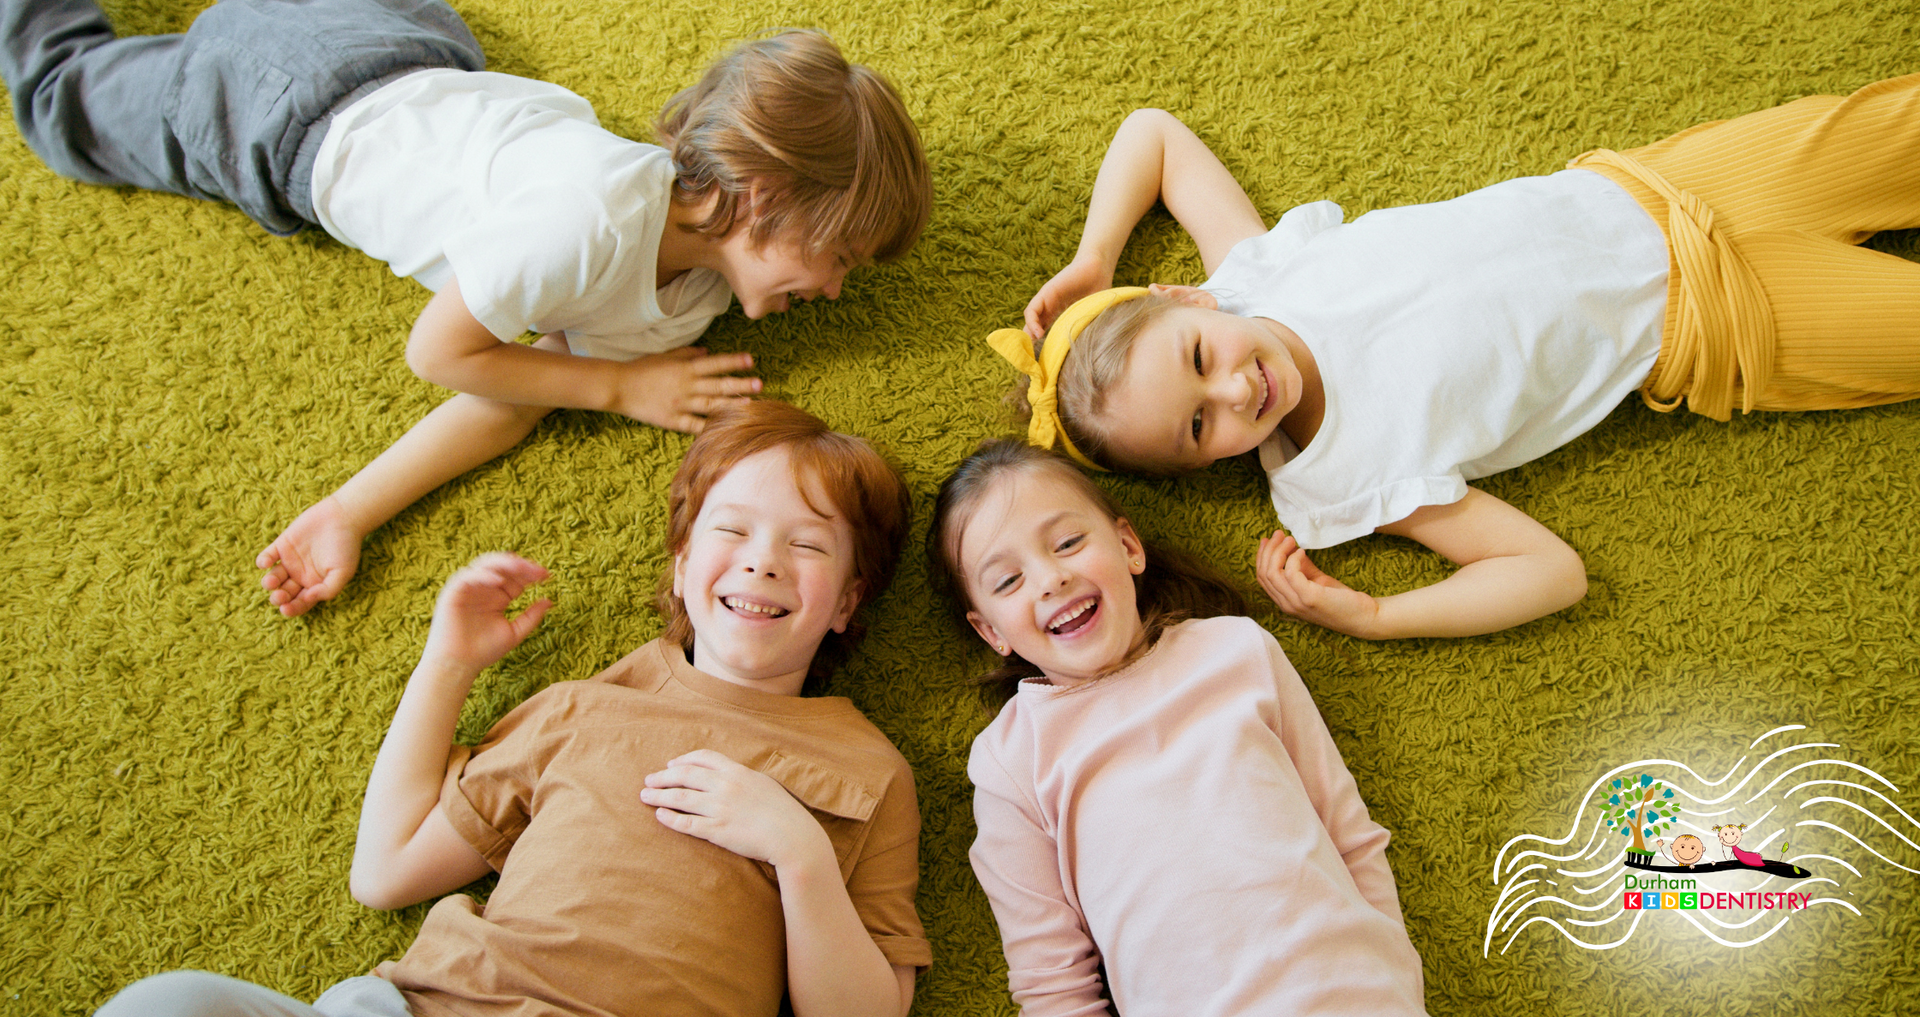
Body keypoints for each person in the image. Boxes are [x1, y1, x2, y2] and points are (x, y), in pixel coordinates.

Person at [0, 0, 932, 617]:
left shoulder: (695, 297)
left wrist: (348, 510)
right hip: (278, 119)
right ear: (763, 196)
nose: (840, 290)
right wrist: (618, 388)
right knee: (60, 97)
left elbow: (514, 391)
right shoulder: (583, 223)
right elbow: (444, 351)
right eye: (840, 255)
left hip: (403, 44)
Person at [997, 77, 1920, 639]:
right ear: (1202, 468)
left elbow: (1152, 134)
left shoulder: (1260, 273)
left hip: (1668, 185)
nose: (1238, 390)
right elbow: (1553, 574)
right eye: (1202, 429)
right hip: (1713, 322)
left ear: (1185, 298)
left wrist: (1095, 257)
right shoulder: (1340, 483)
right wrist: (1381, 616)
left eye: (1201, 355)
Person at [93, 400, 928, 1017]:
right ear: (679, 566)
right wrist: (448, 662)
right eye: (733, 532)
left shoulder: (867, 770)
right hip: (432, 1006)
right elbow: (385, 874)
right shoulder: (580, 710)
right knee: (165, 1004)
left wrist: (798, 853)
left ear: (849, 601)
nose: (763, 564)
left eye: (807, 544)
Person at [927, 439, 1426, 1016]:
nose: (1049, 579)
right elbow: (1052, 983)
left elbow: (1349, 834)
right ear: (992, 632)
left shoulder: (1236, 650)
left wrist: (1397, 980)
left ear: (1128, 546)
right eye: (1008, 581)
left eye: (1068, 543)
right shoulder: (1012, 759)